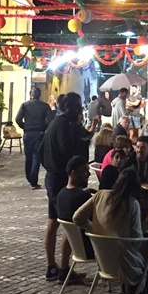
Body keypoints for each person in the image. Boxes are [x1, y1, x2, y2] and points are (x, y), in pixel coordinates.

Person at [40, 92, 96, 281]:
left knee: (54, 221)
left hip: (53, 177)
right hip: (61, 180)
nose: (80, 111)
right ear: (69, 108)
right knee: (68, 222)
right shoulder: (64, 125)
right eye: (78, 107)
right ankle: (63, 269)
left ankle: (53, 267)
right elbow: (68, 151)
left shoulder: (54, 123)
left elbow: (41, 151)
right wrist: (70, 172)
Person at [73, 167, 147, 287]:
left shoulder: (100, 195)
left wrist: (95, 230)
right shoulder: (132, 204)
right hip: (124, 263)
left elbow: (77, 217)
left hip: (103, 260)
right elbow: (136, 241)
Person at [55, 155, 94, 284]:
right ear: (74, 173)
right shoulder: (83, 197)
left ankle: (64, 269)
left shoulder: (61, 195)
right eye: (85, 171)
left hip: (76, 246)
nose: (88, 174)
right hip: (92, 247)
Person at [15, 87, 53, 189]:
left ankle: (29, 177)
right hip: (39, 133)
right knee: (36, 156)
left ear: (30, 94)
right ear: (39, 95)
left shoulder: (25, 105)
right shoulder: (45, 106)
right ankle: (33, 181)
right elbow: (50, 120)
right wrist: (43, 128)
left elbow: (18, 119)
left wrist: (25, 127)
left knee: (28, 156)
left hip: (28, 133)